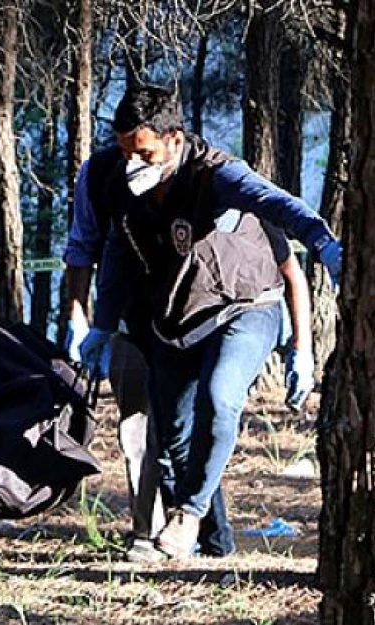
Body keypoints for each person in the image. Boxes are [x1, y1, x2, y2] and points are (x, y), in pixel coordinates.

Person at [79, 86, 341, 558]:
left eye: (143, 152)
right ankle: (209, 544)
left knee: (219, 396)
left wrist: (323, 243)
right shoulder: (122, 183)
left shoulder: (218, 175)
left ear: (174, 141)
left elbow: (276, 202)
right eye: (124, 152)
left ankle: (191, 514)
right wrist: (100, 324)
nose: (132, 163)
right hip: (174, 322)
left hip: (244, 308)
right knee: (173, 439)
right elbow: (117, 254)